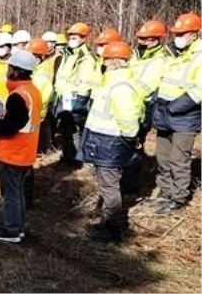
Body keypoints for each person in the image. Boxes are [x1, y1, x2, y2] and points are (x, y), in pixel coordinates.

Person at [77, 41, 142, 242]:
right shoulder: (113, 81)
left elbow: (128, 120)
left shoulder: (121, 86)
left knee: (109, 186)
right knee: (107, 184)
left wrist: (128, 139)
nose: (103, 62)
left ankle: (112, 228)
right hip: (104, 141)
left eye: (106, 59)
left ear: (115, 62)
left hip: (110, 142)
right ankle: (108, 223)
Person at [0, 50, 41, 244]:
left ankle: (12, 230)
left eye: (10, 67)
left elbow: (9, 128)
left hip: (13, 153)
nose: (7, 70)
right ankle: (17, 228)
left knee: (10, 195)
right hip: (25, 152)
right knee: (18, 193)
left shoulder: (18, 96)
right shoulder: (33, 91)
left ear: (16, 70)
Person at [150, 13, 202, 215]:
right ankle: (165, 192)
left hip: (185, 115)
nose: (178, 37)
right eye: (176, 33)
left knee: (178, 159)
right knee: (162, 157)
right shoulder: (171, 52)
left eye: (183, 33)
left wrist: (176, 106)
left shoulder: (199, 55)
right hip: (164, 110)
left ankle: (178, 199)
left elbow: (198, 90)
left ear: (195, 34)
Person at [53, 22, 96, 169]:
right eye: (70, 36)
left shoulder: (86, 58)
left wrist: (79, 103)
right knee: (65, 129)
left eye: (75, 36)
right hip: (63, 97)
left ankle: (75, 160)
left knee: (74, 130)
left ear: (83, 38)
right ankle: (67, 157)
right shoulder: (67, 53)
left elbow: (85, 83)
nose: (71, 39)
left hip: (75, 99)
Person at [131, 20, 169, 145]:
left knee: (136, 141)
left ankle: (136, 163)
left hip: (143, 106)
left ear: (155, 40)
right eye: (140, 38)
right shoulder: (134, 55)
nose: (141, 41)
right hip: (127, 102)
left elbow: (147, 87)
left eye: (145, 39)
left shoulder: (161, 59)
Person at [26, 38, 55, 153]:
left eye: (34, 55)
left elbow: (44, 96)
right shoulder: (35, 70)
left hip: (35, 112)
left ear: (40, 56)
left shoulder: (42, 73)